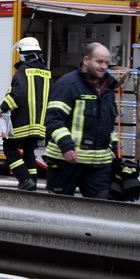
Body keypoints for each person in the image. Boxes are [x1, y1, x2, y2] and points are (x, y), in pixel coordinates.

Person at [44, 41, 118, 199]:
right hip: (66, 161)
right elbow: (54, 119)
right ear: (86, 60)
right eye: (99, 61)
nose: (104, 66)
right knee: (59, 209)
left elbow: (108, 124)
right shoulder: (68, 84)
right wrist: (66, 146)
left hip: (98, 164)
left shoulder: (107, 88)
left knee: (101, 208)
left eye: (106, 63)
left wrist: (115, 148)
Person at [0, 37, 51, 191]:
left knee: (9, 148)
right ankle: (32, 182)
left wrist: (2, 108)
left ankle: (24, 179)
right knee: (29, 151)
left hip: (22, 123)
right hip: (38, 125)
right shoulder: (46, 72)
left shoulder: (23, 71)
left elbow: (18, 94)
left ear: (23, 54)